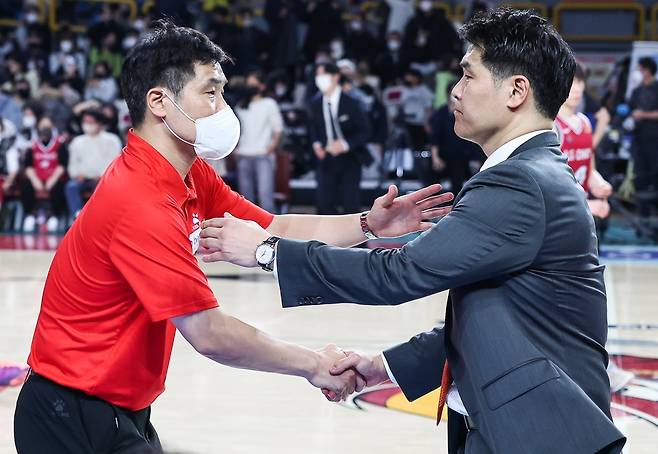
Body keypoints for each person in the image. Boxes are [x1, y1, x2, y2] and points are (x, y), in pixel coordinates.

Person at [14, 21, 452, 454]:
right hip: (69, 414)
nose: (224, 107)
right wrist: (314, 365)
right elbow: (209, 333)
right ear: (159, 102)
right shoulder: (139, 200)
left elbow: (273, 228)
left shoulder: (187, 172)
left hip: (117, 409)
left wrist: (368, 224)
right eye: (211, 92)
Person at [200, 9, 626, 454]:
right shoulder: (530, 174)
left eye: (467, 76)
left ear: (516, 91)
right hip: (524, 426)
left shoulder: (521, 182)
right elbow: (493, 318)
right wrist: (382, 366)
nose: (455, 92)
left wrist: (269, 251)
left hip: (541, 435)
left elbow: (399, 274)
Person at [308, 62, 371, 214]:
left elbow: (365, 131)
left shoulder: (351, 102)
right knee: (324, 203)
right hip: (326, 158)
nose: (319, 79)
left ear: (335, 77)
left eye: (323, 75)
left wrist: (344, 144)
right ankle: (327, 238)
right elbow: (313, 129)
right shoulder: (315, 103)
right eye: (317, 75)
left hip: (350, 157)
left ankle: (356, 237)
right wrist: (316, 145)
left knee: (350, 203)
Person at [235, 71, 283, 213]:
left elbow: (278, 128)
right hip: (244, 154)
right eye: (248, 84)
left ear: (262, 86)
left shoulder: (269, 104)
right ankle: (248, 230)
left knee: (265, 194)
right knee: (246, 197)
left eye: (254, 84)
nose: (251, 87)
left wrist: (271, 147)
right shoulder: (241, 105)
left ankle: (270, 232)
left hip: (263, 154)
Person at [65, 109, 122, 218]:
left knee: (104, 187)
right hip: (83, 178)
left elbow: (115, 161)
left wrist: (102, 175)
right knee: (71, 186)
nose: (87, 125)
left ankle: (99, 217)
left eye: (91, 122)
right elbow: (73, 163)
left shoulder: (112, 140)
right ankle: (78, 216)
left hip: (104, 178)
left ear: (99, 123)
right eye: (85, 122)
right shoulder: (77, 141)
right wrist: (76, 174)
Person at [428, 81, 484, 193]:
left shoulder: (469, 111)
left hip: (462, 154)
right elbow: (435, 137)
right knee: (431, 175)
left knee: (457, 178)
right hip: (444, 154)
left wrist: (476, 158)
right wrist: (435, 157)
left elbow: (475, 135)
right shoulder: (441, 112)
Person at [20, 115, 68, 233]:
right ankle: (30, 215)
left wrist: (53, 179)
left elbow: (63, 164)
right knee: (26, 186)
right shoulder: (32, 145)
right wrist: (35, 180)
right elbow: (28, 165)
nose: (45, 129)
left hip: (54, 177)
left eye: (47, 126)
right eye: (42, 126)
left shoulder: (60, 143)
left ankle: (54, 216)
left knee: (59, 187)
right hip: (37, 177)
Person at [628, 56, 658, 216]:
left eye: (639, 69)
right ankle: (643, 216)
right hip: (639, 140)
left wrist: (644, 115)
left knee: (655, 176)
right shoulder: (636, 91)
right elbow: (630, 109)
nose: (638, 72)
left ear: (647, 70)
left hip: (655, 141)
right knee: (641, 177)